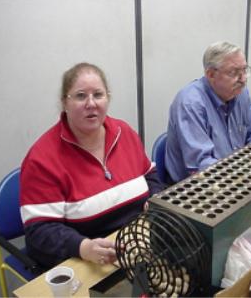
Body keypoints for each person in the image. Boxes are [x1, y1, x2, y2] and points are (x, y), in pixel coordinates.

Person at [20, 62, 164, 269]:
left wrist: (155, 197)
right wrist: (82, 247)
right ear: (64, 103)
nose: (91, 103)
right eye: (80, 96)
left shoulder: (124, 132)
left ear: (108, 98)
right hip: (86, 261)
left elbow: (150, 175)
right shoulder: (42, 159)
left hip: (139, 243)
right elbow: (40, 231)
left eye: (98, 95)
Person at [165, 41, 251, 183]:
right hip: (197, 187)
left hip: (235, 177)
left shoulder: (240, 93)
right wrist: (240, 173)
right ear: (211, 74)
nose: (243, 79)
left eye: (244, 70)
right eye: (234, 73)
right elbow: (202, 165)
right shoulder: (190, 104)